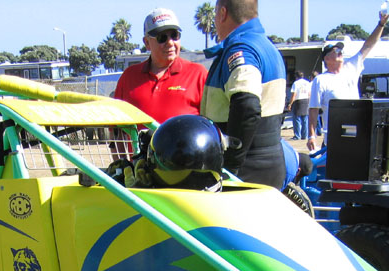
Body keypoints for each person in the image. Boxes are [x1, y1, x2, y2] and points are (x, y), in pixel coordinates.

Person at [201, 0, 287, 188]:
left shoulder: (241, 49)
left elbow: (246, 105)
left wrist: (230, 167)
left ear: (223, 13)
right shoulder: (266, 46)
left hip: (246, 170)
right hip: (271, 163)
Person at [306, 10, 389, 150]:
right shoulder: (320, 80)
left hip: (356, 134)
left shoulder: (351, 66)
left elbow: (368, 45)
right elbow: (313, 109)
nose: (340, 52)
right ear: (327, 58)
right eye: (336, 51)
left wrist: (381, 24)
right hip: (334, 138)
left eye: (341, 50)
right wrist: (311, 136)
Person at [114, 8, 207, 123]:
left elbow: (211, 123)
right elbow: (115, 125)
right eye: (162, 37)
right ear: (147, 43)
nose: (170, 42)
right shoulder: (129, 77)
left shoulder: (198, 74)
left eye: (174, 35)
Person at [288, 71, 311, 140]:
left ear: (296, 76)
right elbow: (309, 93)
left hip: (298, 101)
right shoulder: (307, 83)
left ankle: (297, 135)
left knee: (296, 119)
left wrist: (290, 104)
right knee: (305, 119)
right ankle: (305, 135)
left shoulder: (296, 83)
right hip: (306, 100)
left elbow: (294, 94)